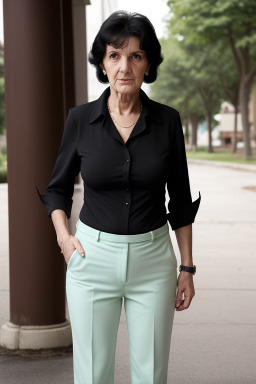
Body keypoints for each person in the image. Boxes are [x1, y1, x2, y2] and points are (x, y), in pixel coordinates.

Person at [36, 10, 201, 384]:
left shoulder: (168, 122)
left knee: (151, 375)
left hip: (153, 261)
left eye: (136, 56)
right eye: (115, 55)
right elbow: (58, 188)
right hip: (91, 260)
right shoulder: (80, 119)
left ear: (148, 65)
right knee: (92, 375)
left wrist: (187, 267)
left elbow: (180, 199)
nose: (124, 66)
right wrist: (64, 238)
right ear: (103, 63)